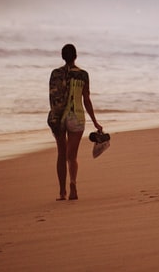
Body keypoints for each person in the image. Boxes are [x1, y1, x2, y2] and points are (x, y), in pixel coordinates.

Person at [47, 43, 103, 200]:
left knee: (61, 154)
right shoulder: (83, 75)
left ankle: (61, 192)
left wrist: (54, 117)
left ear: (62, 57)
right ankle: (73, 185)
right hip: (77, 117)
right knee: (72, 157)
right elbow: (86, 100)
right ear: (76, 56)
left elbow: (53, 98)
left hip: (59, 117)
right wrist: (95, 122)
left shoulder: (55, 74)